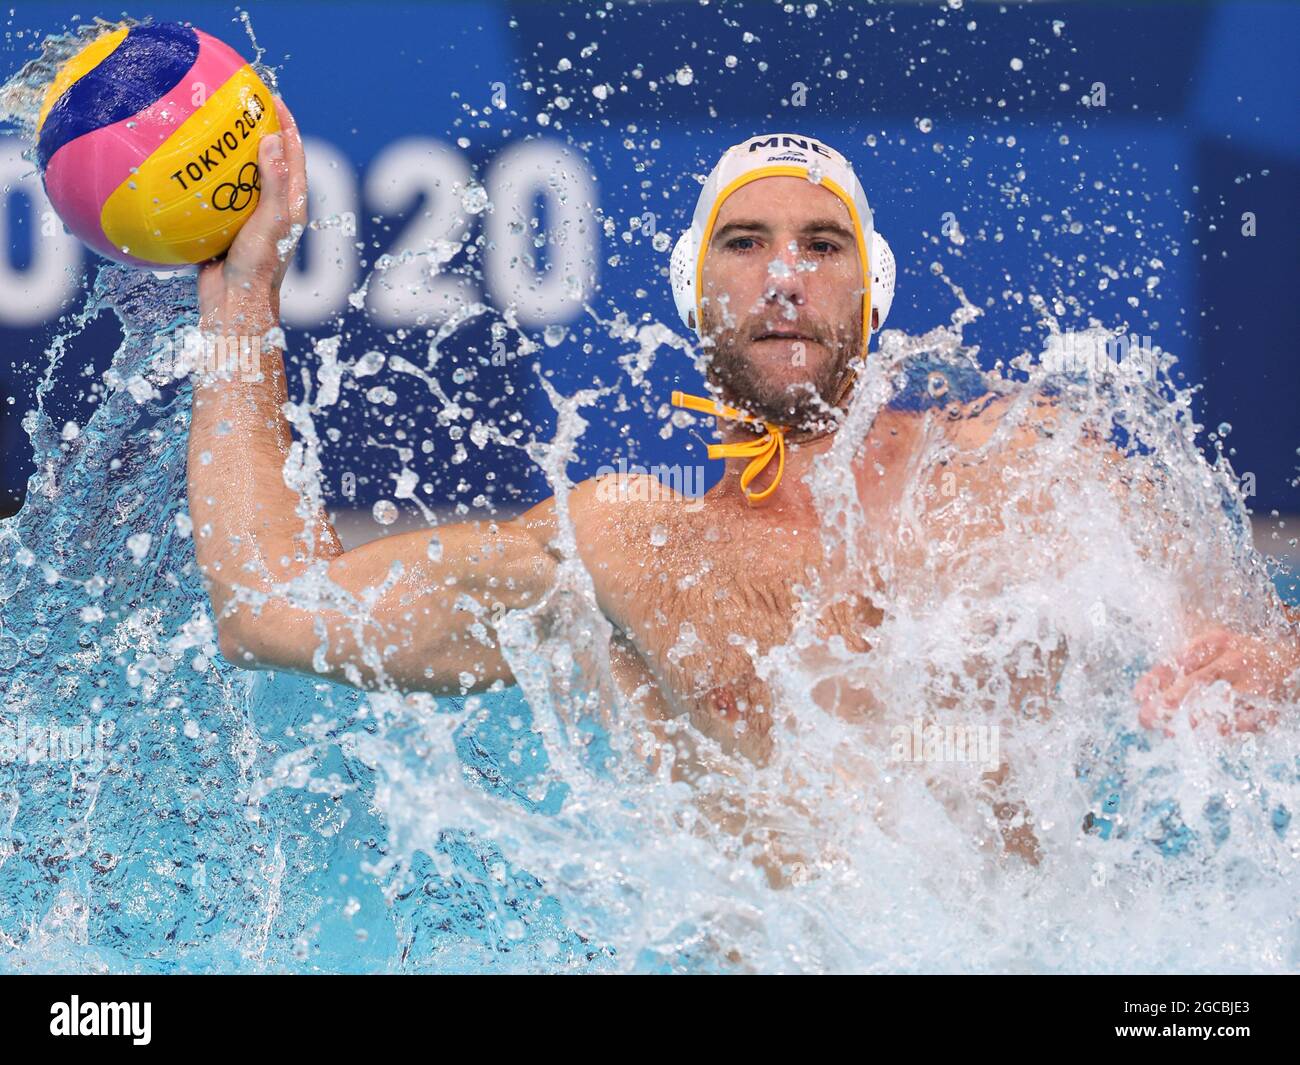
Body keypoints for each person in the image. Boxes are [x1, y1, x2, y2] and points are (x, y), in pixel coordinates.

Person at [189, 100, 1299, 849]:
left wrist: (1266, 673)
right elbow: (269, 610)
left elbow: (1266, 651)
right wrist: (242, 294)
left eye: (821, 247)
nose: (782, 278)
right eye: (745, 244)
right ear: (693, 295)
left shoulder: (1025, 470)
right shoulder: (624, 551)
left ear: (870, 294)